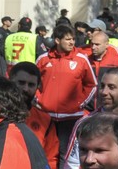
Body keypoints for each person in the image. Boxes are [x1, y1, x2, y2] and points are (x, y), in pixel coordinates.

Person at [37, 24, 97, 159]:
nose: (72, 42)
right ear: (57, 40)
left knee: (66, 154)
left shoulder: (81, 59)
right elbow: (33, 82)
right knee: (45, 153)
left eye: (73, 39)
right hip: (47, 116)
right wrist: (40, 101)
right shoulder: (43, 59)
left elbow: (92, 84)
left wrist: (80, 103)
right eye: (68, 39)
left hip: (72, 117)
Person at [62, 68, 118, 169]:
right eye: (102, 86)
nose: (104, 92)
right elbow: (72, 166)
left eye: (111, 87)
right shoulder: (85, 122)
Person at [8, 62, 60, 169]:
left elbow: (51, 157)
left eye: (31, 85)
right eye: (21, 83)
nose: (25, 89)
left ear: (37, 87)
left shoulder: (45, 120)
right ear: (10, 81)